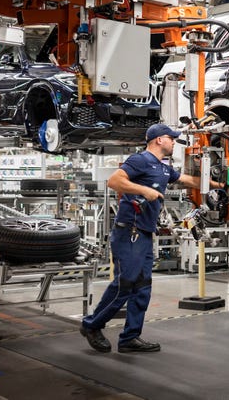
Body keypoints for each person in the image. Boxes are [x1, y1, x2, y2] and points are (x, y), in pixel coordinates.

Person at [80, 123, 220, 353]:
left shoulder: (163, 168)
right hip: (130, 231)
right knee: (125, 283)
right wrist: (144, 190)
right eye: (171, 138)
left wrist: (219, 184)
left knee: (142, 287)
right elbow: (114, 181)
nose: (173, 142)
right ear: (158, 140)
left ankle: (129, 338)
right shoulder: (140, 160)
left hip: (145, 233)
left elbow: (188, 180)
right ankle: (92, 325)